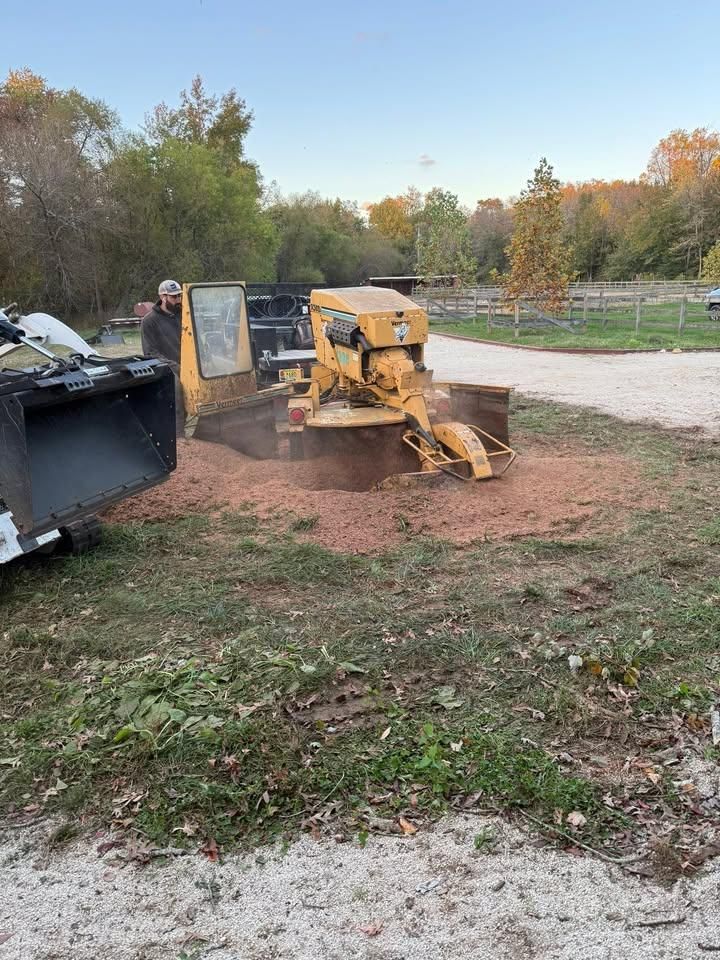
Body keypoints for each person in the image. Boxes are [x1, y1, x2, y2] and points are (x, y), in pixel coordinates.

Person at [140, 279, 185, 433]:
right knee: (176, 386)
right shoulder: (149, 321)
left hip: (189, 364)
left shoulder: (184, 315)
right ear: (163, 297)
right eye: (174, 297)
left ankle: (208, 431)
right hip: (167, 368)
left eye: (179, 295)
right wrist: (177, 367)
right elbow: (150, 353)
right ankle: (179, 436)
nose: (178, 299)